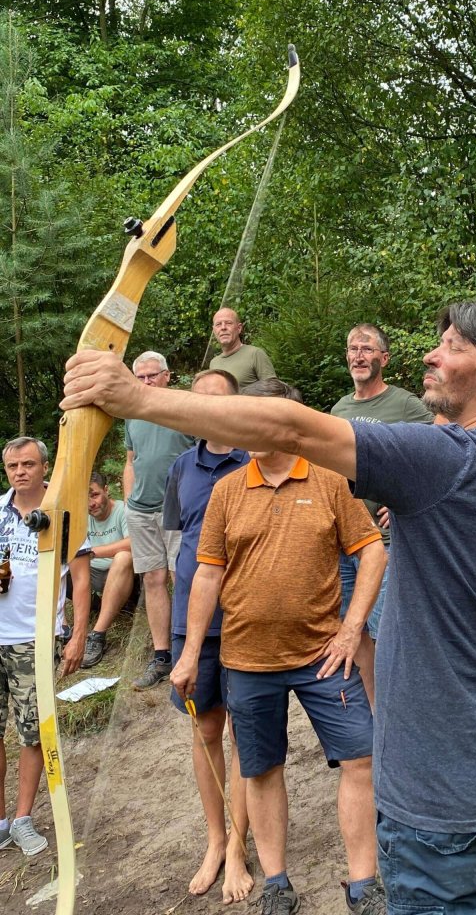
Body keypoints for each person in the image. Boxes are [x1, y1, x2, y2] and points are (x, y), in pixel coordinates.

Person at [62, 300, 476, 913]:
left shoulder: (445, 461)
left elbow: (291, 428)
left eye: (453, 345)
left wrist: (140, 400)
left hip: (446, 806)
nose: (430, 354)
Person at [171, 377, 387, 914]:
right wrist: (189, 652)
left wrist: (351, 628)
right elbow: (206, 577)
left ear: (289, 422)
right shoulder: (226, 491)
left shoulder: (330, 481)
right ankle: (276, 882)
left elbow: (372, 550)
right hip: (246, 659)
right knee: (262, 768)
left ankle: (364, 882)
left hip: (323, 654)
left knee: (361, 758)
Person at [163, 368, 252, 903]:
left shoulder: (257, 458)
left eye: (216, 400)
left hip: (246, 618)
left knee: (247, 734)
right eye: (197, 402)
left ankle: (241, 845)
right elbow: (183, 544)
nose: (206, 409)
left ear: (237, 405)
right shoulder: (181, 466)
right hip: (191, 623)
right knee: (206, 731)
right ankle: (215, 841)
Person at [331, 323, 433, 704]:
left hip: (386, 541)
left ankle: (408, 711)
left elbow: (440, 449)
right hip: (344, 541)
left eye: (367, 349)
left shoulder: (405, 404)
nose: (359, 355)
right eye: (353, 348)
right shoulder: (339, 409)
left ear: (384, 359)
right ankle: (379, 714)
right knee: (353, 634)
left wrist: (409, 494)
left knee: (389, 631)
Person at [0, 437, 90, 856]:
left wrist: (78, 635)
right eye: (13, 465)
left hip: (33, 640)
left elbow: (83, 579)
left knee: (33, 733)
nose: (20, 472)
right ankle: (2, 822)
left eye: (28, 464)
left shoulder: (63, 511)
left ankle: (23, 819)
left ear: (44, 466)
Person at [125, 351, 195, 690]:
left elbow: (203, 452)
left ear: (167, 376)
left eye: (152, 376)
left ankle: (189, 646)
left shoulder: (183, 407)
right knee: (152, 580)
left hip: (179, 506)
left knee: (179, 574)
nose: (146, 382)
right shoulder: (132, 412)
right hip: (140, 508)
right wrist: (127, 501)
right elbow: (131, 460)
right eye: (139, 378)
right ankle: (162, 655)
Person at [80, 472, 134, 669]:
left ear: (106, 489)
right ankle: (62, 629)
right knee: (62, 560)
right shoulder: (81, 516)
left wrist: (91, 552)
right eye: (84, 498)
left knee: (123, 556)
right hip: (92, 575)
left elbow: (133, 542)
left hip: (123, 574)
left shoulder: (122, 510)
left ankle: (98, 635)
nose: (90, 503)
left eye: (94, 495)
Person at [209, 308, 276, 389]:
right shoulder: (213, 363)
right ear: (214, 330)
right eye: (218, 324)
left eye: (228, 323)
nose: (223, 327)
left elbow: (274, 391)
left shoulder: (255, 354)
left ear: (239, 328)